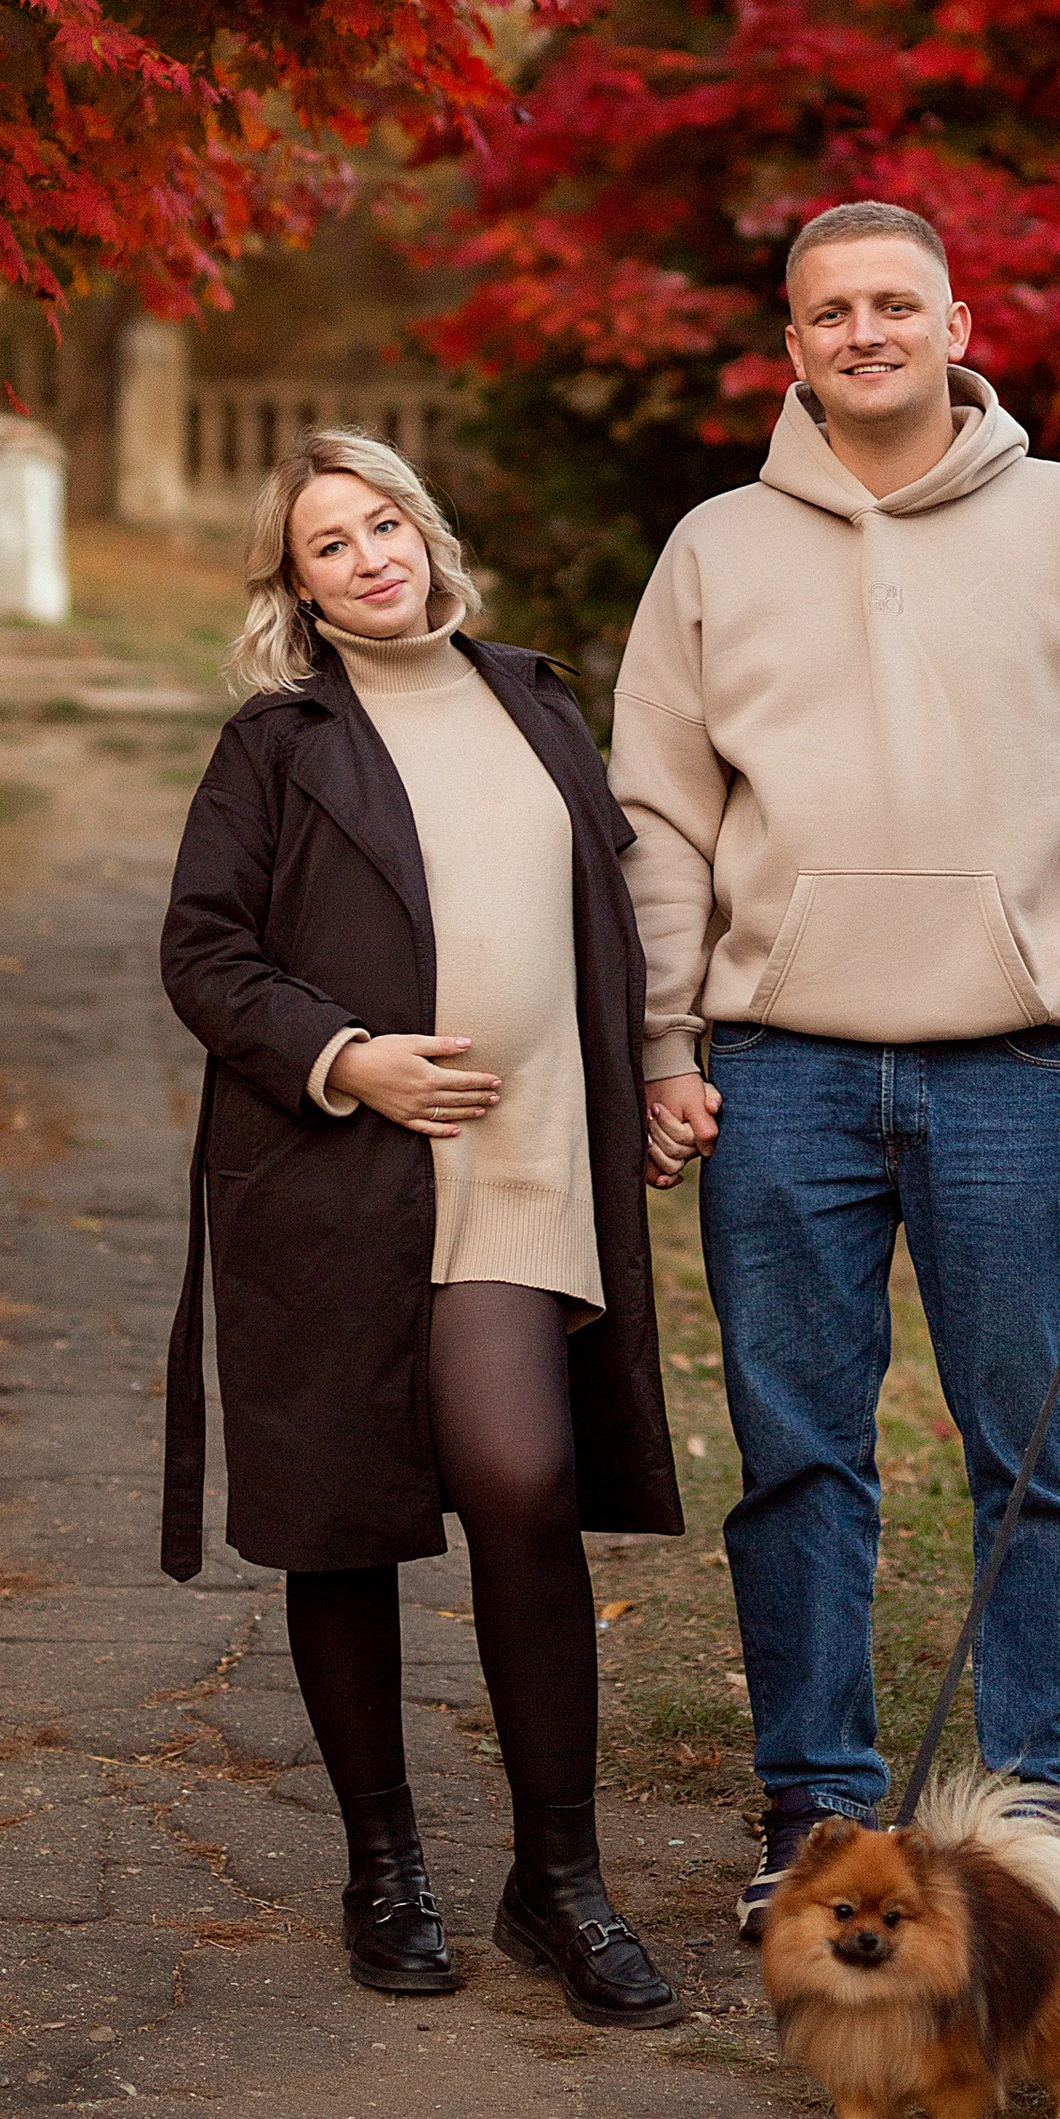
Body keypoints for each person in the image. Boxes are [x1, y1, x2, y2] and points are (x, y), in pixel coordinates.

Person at [614, 203, 1060, 1937]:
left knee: (1030, 1449)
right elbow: (662, 823)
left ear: (958, 320)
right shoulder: (715, 552)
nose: (868, 331)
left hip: (1015, 1070)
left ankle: (1055, 1817)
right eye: (834, 311)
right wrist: (666, 1042)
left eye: (898, 302)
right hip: (781, 1072)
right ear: (793, 343)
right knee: (798, 1454)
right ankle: (818, 1811)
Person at [160, 429, 683, 2022]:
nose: (371, 557)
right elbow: (203, 951)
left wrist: (661, 1069)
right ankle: (382, 1864)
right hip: (340, 1175)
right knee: (346, 1512)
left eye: (385, 523)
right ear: (298, 588)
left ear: (427, 533)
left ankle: (558, 1879)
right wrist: (348, 1058)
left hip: (526, 1160)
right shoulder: (279, 743)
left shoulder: (537, 701)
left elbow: (612, 909)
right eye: (330, 544)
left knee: (521, 1482)